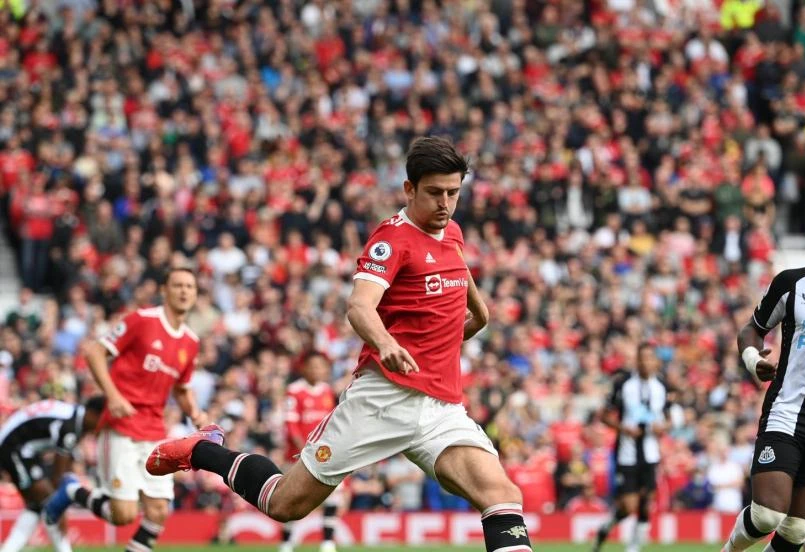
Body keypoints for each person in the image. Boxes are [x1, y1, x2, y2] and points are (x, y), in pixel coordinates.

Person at [145, 137, 534, 552]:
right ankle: (204, 450)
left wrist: (467, 328)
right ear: (409, 189)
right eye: (434, 193)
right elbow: (360, 307)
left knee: (502, 494)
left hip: (441, 408)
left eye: (453, 193)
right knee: (285, 504)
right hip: (383, 398)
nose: (444, 203)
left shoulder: (452, 233)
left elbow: (476, 309)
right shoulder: (392, 239)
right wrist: (384, 343)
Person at [44, 268, 209, 552]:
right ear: (164, 290)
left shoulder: (190, 343)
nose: (184, 291)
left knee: (158, 512)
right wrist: (113, 396)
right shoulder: (142, 320)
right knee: (123, 515)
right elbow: (95, 351)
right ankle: (72, 490)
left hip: (155, 431)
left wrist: (194, 411)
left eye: (190, 287)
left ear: (195, 294)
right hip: (122, 426)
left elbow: (182, 387)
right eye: (178, 285)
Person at [722, 218, 805, 551]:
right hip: (787, 414)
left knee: (796, 531)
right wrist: (754, 361)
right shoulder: (795, 283)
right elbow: (750, 330)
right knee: (768, 515)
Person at [0, 396, 105, 552]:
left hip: (23, 449)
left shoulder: (72, 416)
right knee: (52, 505)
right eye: (102, 420)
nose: (102, 426)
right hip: (13, 448)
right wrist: (59, 503)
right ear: (92, 414)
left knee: (37, 506)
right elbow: (59, 474)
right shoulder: (70, 426)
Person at [593, 343, 669, 552]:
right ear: (636, 361)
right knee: (628, 506)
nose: (645, 362)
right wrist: (623, 429)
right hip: (627, 453)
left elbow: (668, 417)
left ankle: (633, 547)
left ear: (655, 361)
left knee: (646, 503)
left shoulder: (661, 385)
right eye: (642, 358)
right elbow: (605, 415)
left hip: (651, 452)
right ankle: (605, 528)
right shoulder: (624, 384)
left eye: (649, 358)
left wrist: (663, 427)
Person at [280, 351, 341, 552]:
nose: (317, 370)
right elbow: (291, 425)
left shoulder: (327, 391)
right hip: (297, 455)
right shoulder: (294, 391)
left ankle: (327, 542)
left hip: (324, 455)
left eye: (321, 366)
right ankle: (287, 543)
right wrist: (305, 450)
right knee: (292, 497)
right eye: (313, 366)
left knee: (332, 496)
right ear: (304, 368)